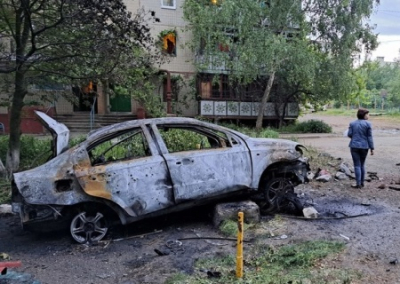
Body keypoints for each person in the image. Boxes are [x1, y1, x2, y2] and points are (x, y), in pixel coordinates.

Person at [347, 108, 374, 189]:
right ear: (364, 115)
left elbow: (349, 134)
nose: (368, 115)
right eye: (367, 114)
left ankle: (358, 183)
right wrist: (372, 148)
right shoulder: (368, 124)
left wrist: (354, 137)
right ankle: (362, 183)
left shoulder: (352, 123)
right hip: (364, 146)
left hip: (354, 146)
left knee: (357, 165)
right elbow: (369, 137)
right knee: (362, 164)